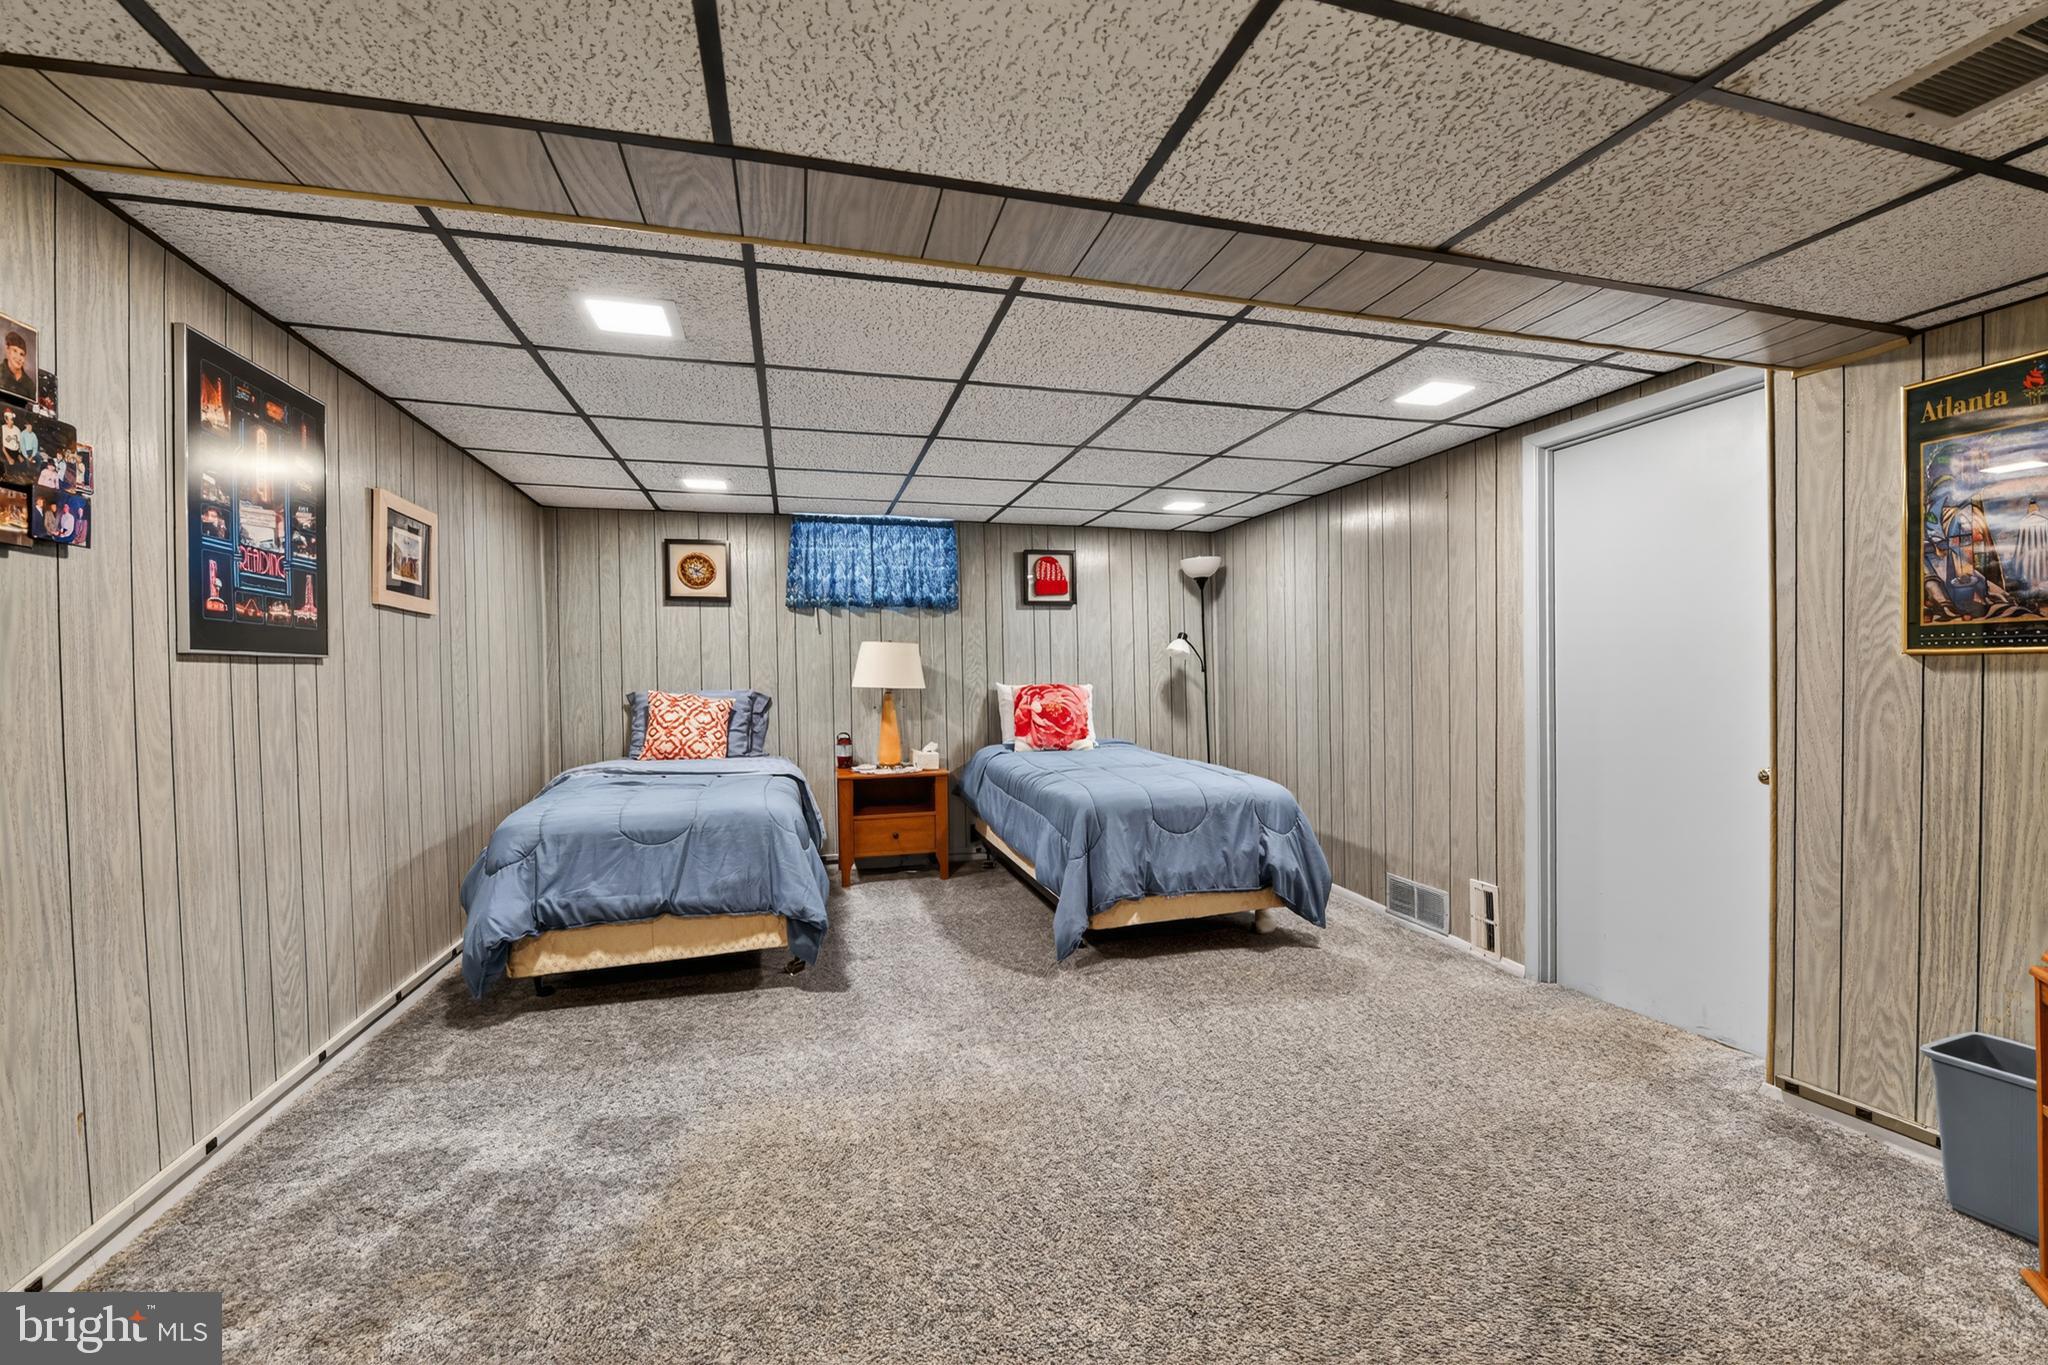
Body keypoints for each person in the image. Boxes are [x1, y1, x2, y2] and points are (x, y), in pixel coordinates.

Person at [2, 330, 30, 399]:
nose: (18, 358)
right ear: (7, 350)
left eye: (22, 354)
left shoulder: (30, 384)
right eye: (15, 351)